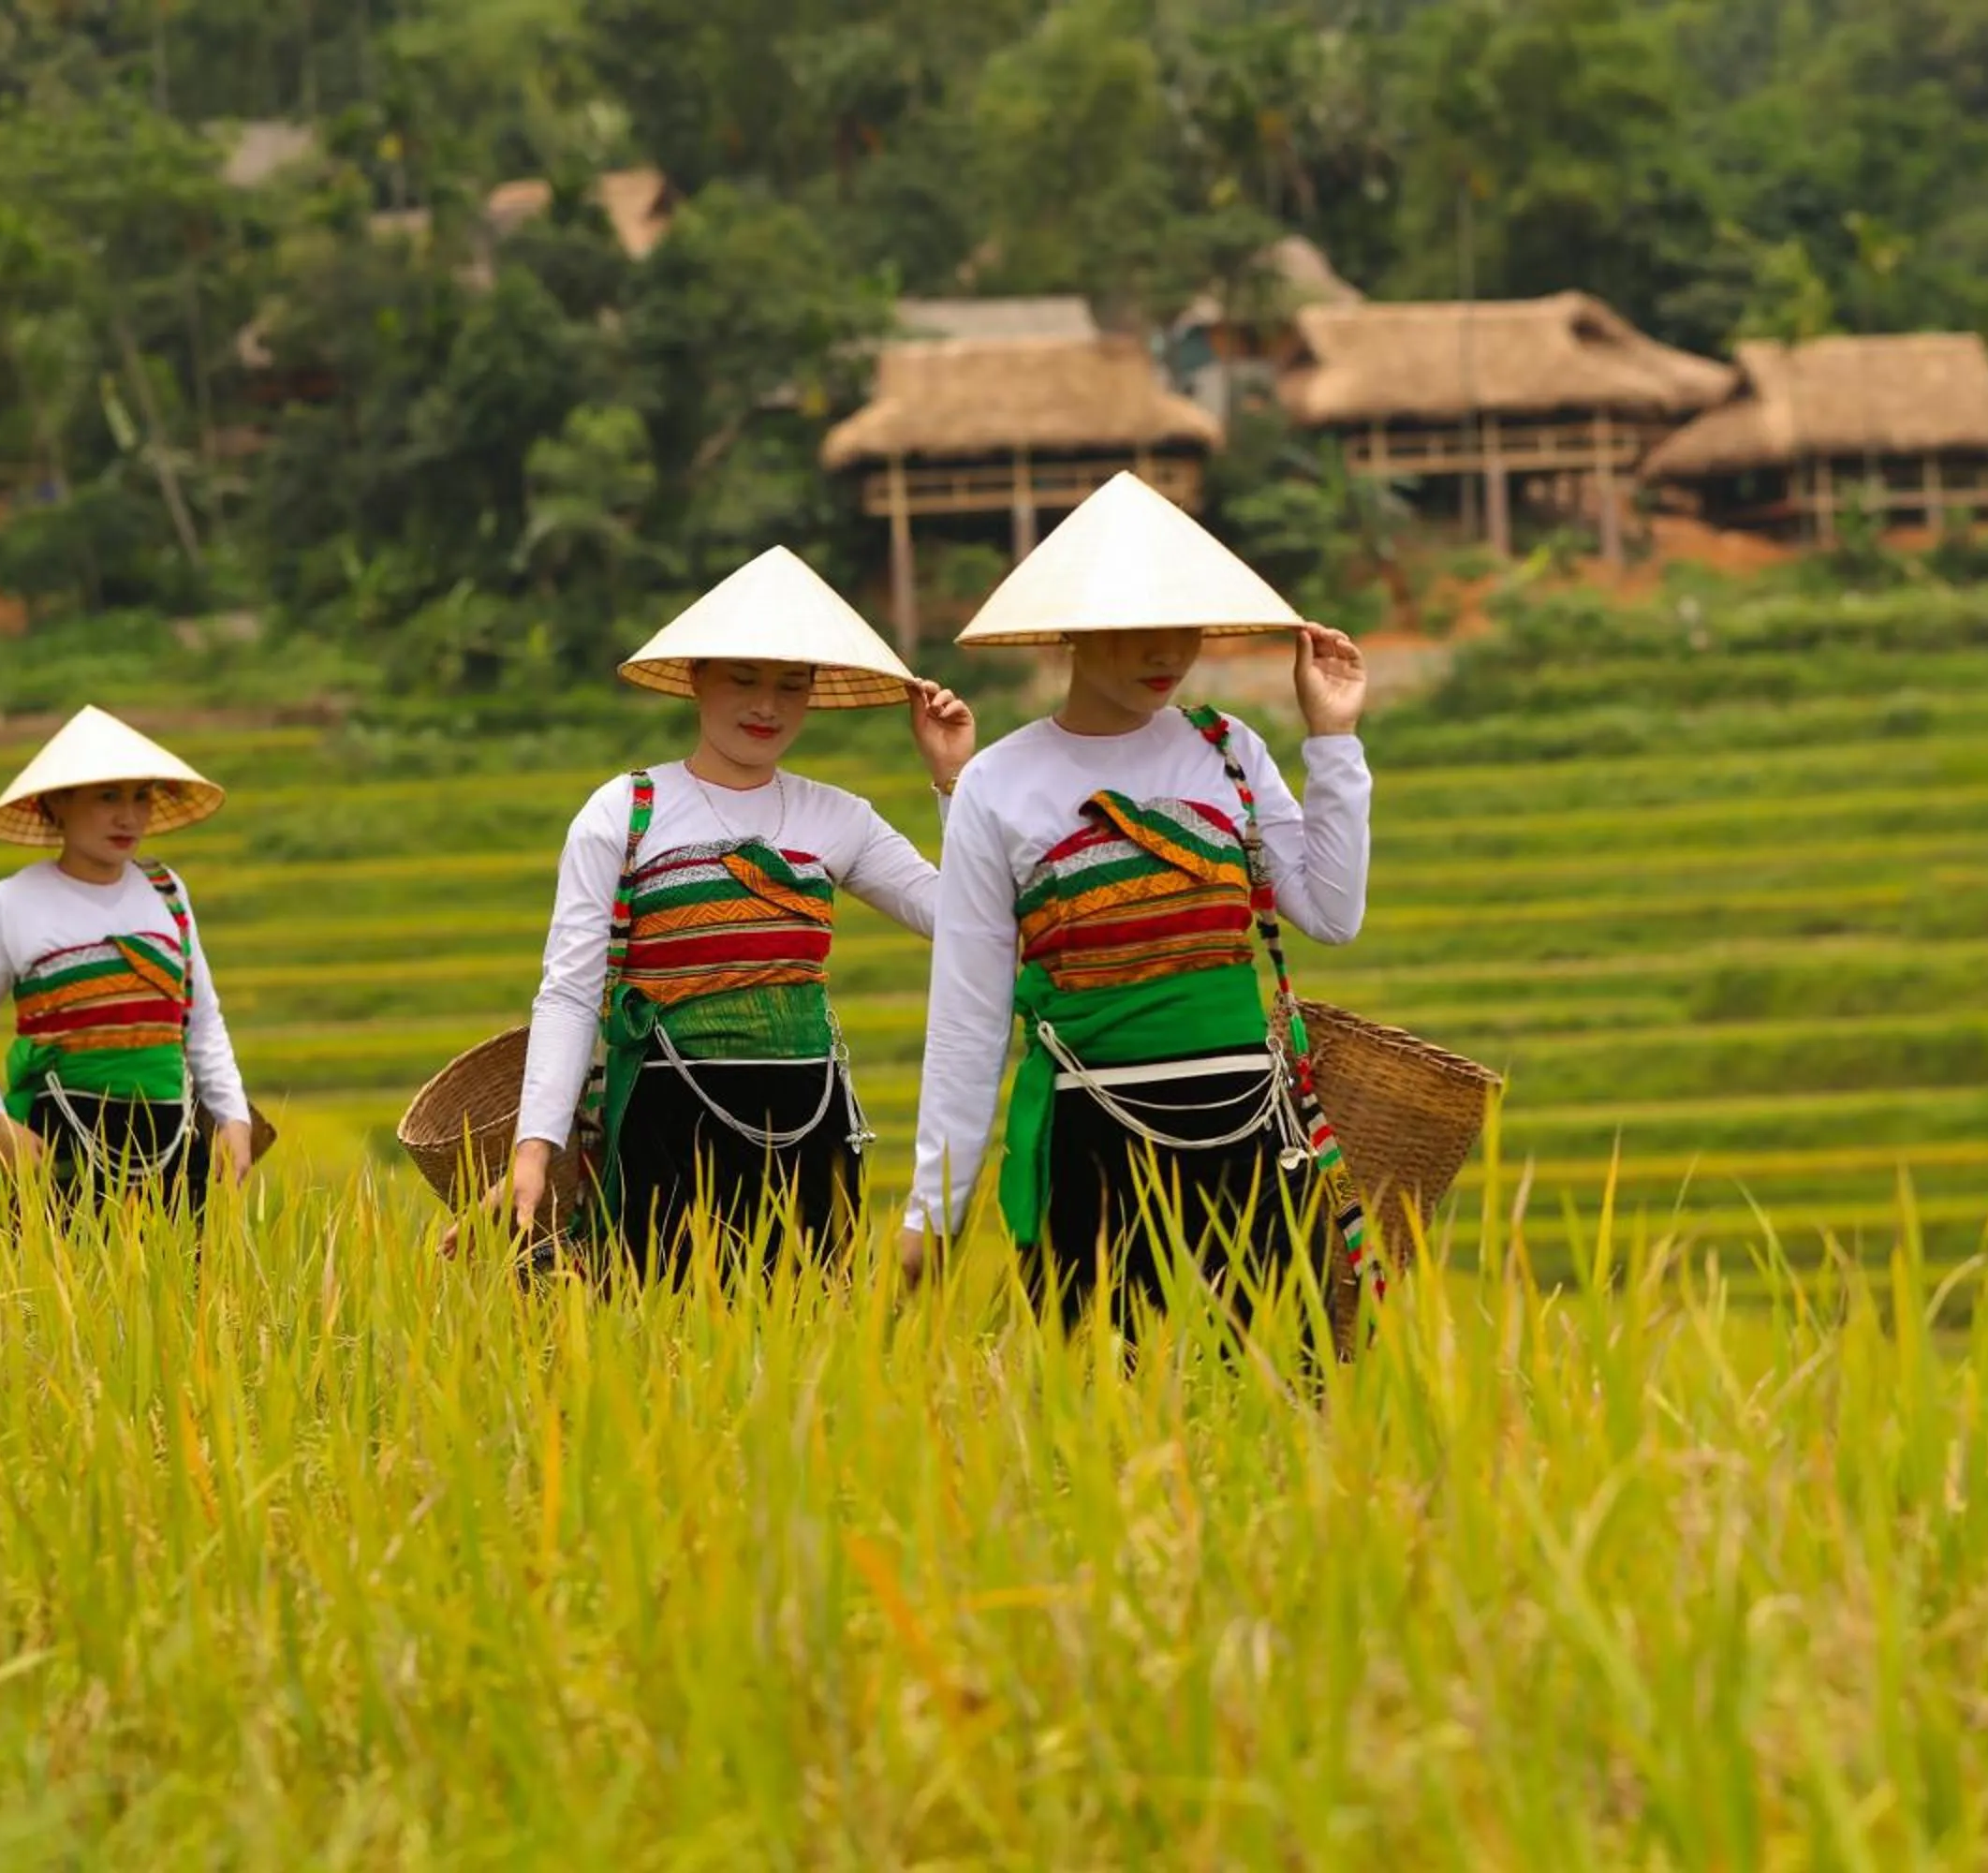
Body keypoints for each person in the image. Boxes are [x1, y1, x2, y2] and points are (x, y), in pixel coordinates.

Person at [898, 472, 1371, 1336]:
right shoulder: (999, 782)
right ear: (1074, 630)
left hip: (1248, 1139)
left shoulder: (1227, 750)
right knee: (1097, 1416)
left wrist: (1332, 739)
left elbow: (1332, 913)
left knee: (1277, 1409)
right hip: (1093, 1140)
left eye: (1181, 625)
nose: (1166, 652)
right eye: (1137, 628)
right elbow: (968, 1017)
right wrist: (937, 1209)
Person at [491, 546, 975, 1278]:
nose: (767, 707)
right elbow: (568, 990)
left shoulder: (837, 817)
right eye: (744, 680)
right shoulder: (625, 812)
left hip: (810, 1121)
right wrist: (537, 1145)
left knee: (810, 1338)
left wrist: (953, 777)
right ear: (696, 679)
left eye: (791, 685)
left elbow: (966, 920)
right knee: (663, 1334)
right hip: (666, 1120)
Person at [0, 705, 258, 1224]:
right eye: (108, 797)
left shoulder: (166, 893)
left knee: (175, 1295)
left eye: (140, 796)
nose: (129, 817)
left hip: (171, 1148)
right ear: (56, 804)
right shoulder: (12, 903)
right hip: (59, 1145)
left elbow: (202, 1020)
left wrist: (233, 1116)